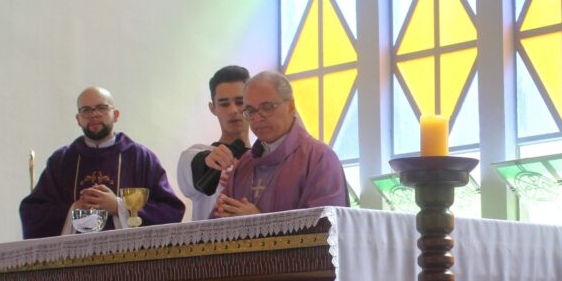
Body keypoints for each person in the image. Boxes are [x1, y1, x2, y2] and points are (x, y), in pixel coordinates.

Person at [20, 87, 185, 237]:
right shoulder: (61, 161)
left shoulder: (140, 158)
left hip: (129, 262)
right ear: (78, 119)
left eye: (102, 108)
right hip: (74, 261)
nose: (94, 114)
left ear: (116, 114)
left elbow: (171, 210)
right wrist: (74, 209)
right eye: (86, 110)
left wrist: (119, 207)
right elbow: (32, 213)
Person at [213, 71, 349, 217]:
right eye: (251, 111)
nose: (257, 118)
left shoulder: (320, 158)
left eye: (267, 107)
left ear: (291, 106)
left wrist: (259, 224)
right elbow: (215, 226)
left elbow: (325, 230)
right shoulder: (244, 165)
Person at [176, 65, 251, 221]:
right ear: (212, 108)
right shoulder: (196, 154)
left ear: (251, 104)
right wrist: (208, 161)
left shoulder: (267, 158)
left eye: (240, 102)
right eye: (224, 103)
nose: (233, 110)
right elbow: (191, 167)